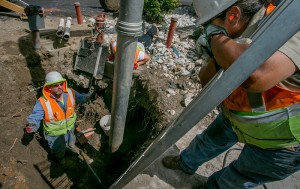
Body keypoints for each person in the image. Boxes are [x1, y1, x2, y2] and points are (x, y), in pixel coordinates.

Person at [162, 0, 300, 188]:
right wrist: (221, 48)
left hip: (282, 142)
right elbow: (206, 79)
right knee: (207, 142)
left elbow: (255, 75)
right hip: (235, 118)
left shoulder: (288, 25)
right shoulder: (234, 37)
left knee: (236, 178)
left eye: (208, 26)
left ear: (233, 16)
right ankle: (186, 163)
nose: (207, 31)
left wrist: (216, 39)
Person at [25, 71, 92, 165]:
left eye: (61, 84)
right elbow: (35, 117)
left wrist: (91, 96)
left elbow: (81, 98)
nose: (60, 86)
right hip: (55, 136)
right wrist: (31, 128)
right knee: (59, 151)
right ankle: (59, 161)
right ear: (49, 87)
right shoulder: (43, 102)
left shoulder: (70, 92)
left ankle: (69, 149)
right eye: (56, 85)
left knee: (70, 143)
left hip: (70, 130)